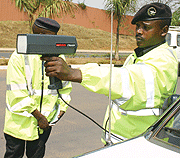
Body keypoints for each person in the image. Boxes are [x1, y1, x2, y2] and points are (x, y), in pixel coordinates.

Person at [41, 2, 178, 145]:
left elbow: (126, 80)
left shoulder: (164, 61)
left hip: (139, 145)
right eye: (138, 26)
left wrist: (76, 73)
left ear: (164, 31)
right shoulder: (139, 55)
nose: (138, 31)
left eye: (146, 27)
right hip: (121, 141)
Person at [4, 17, 72, 157]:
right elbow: (17, 93)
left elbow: (65, 87)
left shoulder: (58, 57)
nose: (53, 42)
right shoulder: (19, 57)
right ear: (40, 36)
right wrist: (39, 116)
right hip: (19, 124)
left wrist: (62, 109)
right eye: (50, 38)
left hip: (44, 125)